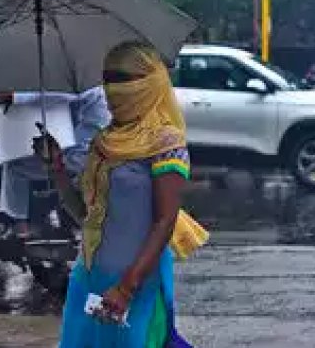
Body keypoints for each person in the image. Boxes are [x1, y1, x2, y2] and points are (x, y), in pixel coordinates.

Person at [34, 41, 199, 347]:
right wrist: (56, 170)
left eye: (123, 80)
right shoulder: (104, 141)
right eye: (107, 78)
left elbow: (164, 222)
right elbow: (88, 216)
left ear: (150, 84)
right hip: (89, 280)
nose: (112, 89)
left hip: (137, 286)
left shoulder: (166, 143)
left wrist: (126, 288)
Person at [0, 89, 109, 242]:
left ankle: (15, 228)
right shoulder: (90, 80)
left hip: (76, 155)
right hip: (90, 153)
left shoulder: (75, 83)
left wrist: (15, 97)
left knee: (13, 164)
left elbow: (58, 95)